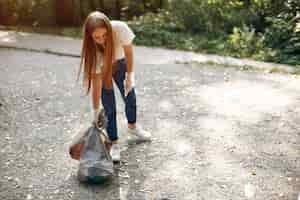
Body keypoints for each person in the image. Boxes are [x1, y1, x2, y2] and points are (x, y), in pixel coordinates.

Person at [78, 11, 151, 162]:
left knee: (130, 96)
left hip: (121, 62)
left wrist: (130, 76)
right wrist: (95, 110)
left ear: (109, 30)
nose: (102, 40)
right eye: (97, 37)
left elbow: (129, 52)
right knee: (109, 106)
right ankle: (114, 143)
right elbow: (96, 83)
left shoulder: (120, 29)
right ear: (90, 36)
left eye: (104, 35)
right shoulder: (93, 53)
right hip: (103, 69)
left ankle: (132, 127)